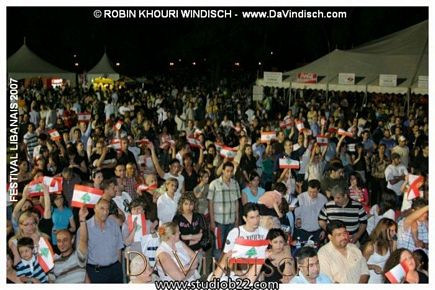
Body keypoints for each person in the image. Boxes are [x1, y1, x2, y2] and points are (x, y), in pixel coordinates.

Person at [212, 203, 268, 281]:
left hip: (258, 270)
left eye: (257, 216)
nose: (256, 220)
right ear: (245, 218)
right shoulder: (235, 233)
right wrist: (239, 273)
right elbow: (226, 258)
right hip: (238, 271)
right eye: (252, 217)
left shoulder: (265, 232)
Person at [85, 198, 124, 283]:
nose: (105, 212)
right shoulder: (85, 228)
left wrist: (118, 267)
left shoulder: (114, 225)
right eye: (102, 208)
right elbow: (81, 256)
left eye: (107, 209)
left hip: (115, 271)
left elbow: (118, 248)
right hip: (96, 273)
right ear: (95, 208)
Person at [208, 161, 241, 259]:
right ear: (222, 171)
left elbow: (236, 203)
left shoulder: (235, 183)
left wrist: (237, 220)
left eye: (231, 171)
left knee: (230, 246)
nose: (229, 173)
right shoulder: (214, 184)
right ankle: (216, 270)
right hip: (219, 222)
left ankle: (227, 269)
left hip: (231, 222)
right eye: (227, 171)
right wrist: (212, 222)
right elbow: (210, 203)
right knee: (218, 247)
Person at [52, 206, 88, 283]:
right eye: (59, 241)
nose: (62, 244)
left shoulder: (79, 256)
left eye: (65, 240)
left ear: (72, 240)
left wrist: (82, 220)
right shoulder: (54, 261)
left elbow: (83, 240)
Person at [362, 218, 397, 283]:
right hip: (371, 280)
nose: (394, 233)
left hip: (382, 279)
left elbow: (393, 259)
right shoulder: (371, 246)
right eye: (392, 231)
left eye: (395, 230)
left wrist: (394, 243)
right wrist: (373, 266)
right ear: (383, 231)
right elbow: (361, 265)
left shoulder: (389, 242)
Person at [293, 179, 328, 244]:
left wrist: (324, 231)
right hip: (302, 230)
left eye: (314, 192)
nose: (311, 194)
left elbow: (326, 217)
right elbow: (297, 214)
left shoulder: (323, 199)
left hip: (317, 231)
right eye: (309, 191)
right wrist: (298, 220)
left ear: (319, 190)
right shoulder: (301, 197)